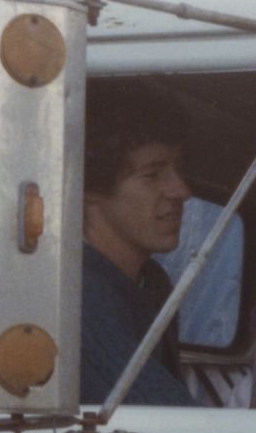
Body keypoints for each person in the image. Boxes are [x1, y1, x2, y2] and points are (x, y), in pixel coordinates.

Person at [79, 82, 199, 407]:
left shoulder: (152, 282)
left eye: (177, 170)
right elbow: (168, 416)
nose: (181, 190)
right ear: (91, 187)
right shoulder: (79, 295)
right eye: (152, 175)